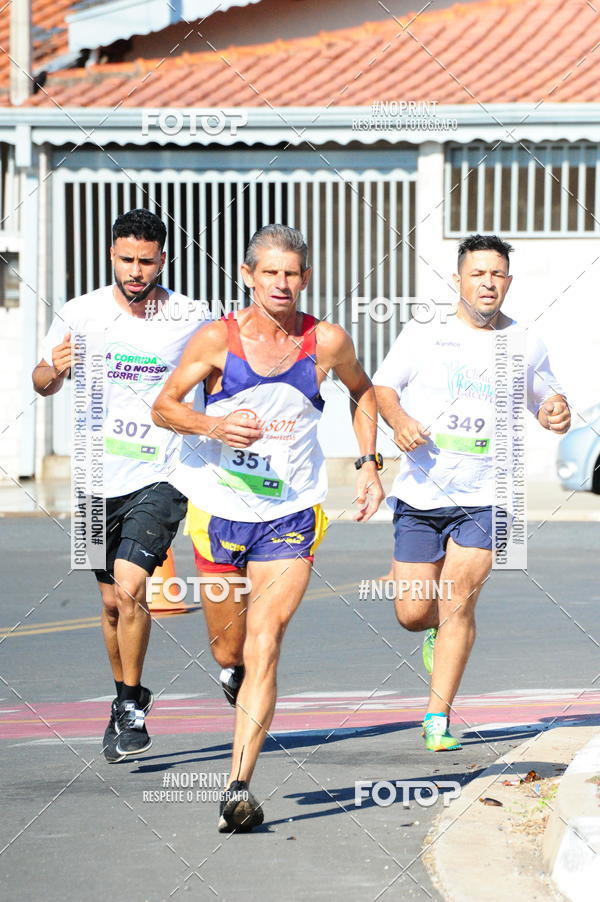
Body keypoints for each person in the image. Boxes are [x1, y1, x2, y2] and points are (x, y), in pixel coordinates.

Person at [152, 224, 384, 831]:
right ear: (247, 276)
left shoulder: (326, 341)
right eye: (271, 273)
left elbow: (364, 394)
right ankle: (231, 676)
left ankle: (237, 785)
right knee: (231, 651)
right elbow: (165, 405)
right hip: (218, 512)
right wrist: (213, 428)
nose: (282, 284)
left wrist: (367, 464)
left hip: (290, 514)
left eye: (294, 274)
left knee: (265, 641)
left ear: (306, 278)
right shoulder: (216, 339)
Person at [373, 234, 570, 752]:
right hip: (422, 492)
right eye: (478, 273)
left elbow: (547, 397)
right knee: (414, 613)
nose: (488, 282)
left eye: (497, 274)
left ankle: (437, 716)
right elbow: (382, 389)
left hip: (490, 493)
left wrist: (556, 409)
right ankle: (437, 632)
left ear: (508, 281)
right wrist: (399, 421)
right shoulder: (423, 335)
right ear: (458, 279)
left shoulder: (526, 342)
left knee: (458, 602)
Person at [32, 209, 209, 762]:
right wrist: (54, 370)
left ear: (164, 260)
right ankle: (124, 696)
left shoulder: (189, 315)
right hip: (92, 476)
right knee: (110, 604)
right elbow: (39, 384)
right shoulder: (80, 313)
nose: (136, 271)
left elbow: (225, 369)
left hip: (159, 472)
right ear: (112, 254)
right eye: (127, 260)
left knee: (132, 588)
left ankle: (131, 710)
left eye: (147, 262)